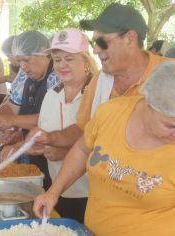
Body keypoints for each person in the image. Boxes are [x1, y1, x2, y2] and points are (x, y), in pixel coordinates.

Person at [33, 61, 175, 235]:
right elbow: (82, 149)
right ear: (148, 103)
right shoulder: (111, 113)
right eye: (170, 126)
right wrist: (54, 192)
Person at [27, 3, 172, 159]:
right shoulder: (101, 81)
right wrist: (50, 138)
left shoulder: (170, 74)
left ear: (130, 38)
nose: (96, 50)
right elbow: (84, 129)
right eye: (93, 43)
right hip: (107, 180)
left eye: (102, 42)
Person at [21, 28, 98, 223]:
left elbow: (107, 146)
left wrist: (65, 153)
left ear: (86, 61)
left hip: (91, 195)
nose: (61, 65)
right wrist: (38, 147)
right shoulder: (52, 94)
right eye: (57, 59)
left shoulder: (100, 95)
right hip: (55, 191)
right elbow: (47, 135)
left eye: (69, 59)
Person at [0, 30, 59, 190]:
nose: (23, 67)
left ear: (44, 54)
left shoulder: (58, 76)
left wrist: (15, 128)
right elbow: (11, 106)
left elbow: (50, 120)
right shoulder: (25, 76)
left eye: (27, 60)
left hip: (57, 159)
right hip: (34, 155)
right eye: (19, 62)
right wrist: (4, 122)